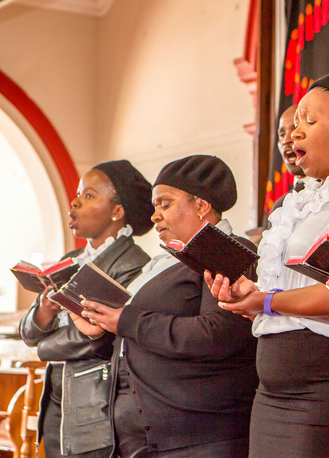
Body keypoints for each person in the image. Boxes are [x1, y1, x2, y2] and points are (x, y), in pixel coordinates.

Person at [207, 70, 329, 458]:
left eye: (309, 121)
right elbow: (284, 292)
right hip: (273, 392)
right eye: (295, 123)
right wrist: (249, 297)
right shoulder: (299, 201)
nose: (294, 133)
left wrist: (266, 302)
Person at [77, 155, 258, 458]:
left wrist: (127, 320)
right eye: (155, 206)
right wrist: (102, 332)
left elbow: (217, 334)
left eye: (165, 204)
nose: (154, 216)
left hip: (197, 437)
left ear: (202, 205)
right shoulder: (165, 261)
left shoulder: (224, 249)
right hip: (144, 437)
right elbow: (137, 334)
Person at [20, 160, 154, 458]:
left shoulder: (132, 263)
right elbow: (28, 333)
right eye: (79, 193)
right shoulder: (71, 258)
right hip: (57, 399)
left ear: (117, 212)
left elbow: (99, 338)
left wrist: (42, 349)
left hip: (97, 403)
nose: (75, 202)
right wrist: (44, 311)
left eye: (90, 195)